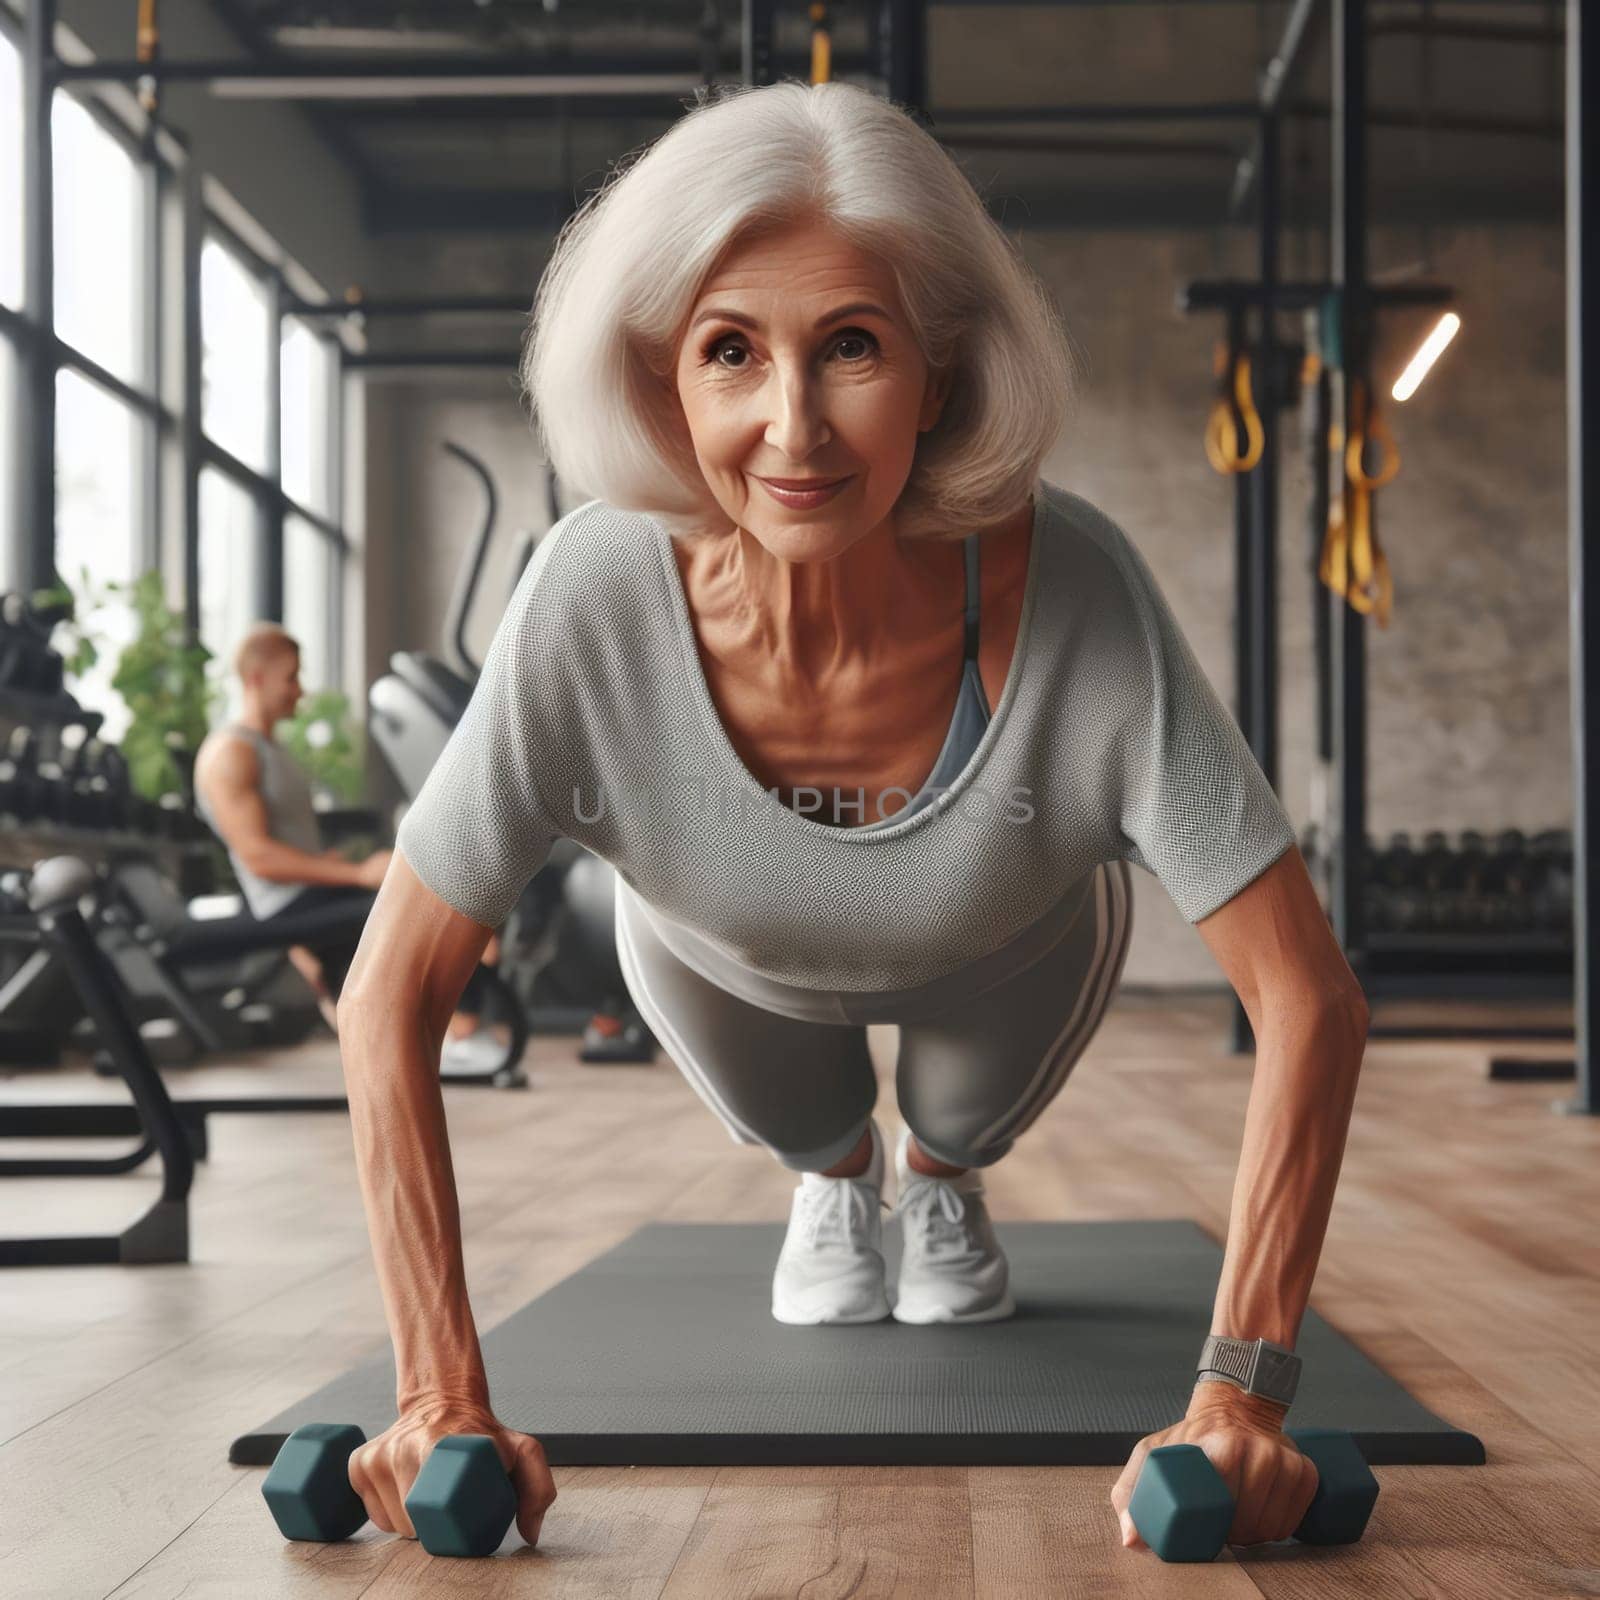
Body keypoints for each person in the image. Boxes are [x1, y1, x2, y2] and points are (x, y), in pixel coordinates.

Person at [334, 81, 1369, 1557]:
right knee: (809, 1122)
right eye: (730, 353)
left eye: (854, 348)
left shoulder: (1078, 587)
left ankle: (939, 1180)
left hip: (1009, 949)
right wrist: (436, 1389)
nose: (791, 424)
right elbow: (391, 995)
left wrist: (1242, 1397)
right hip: (722, 952)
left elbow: (1309, 997)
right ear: (661, 383)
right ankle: (836, 1181)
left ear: (940, 375)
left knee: (952, 1118)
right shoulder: (588, 597)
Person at [193, 623, 500, 1065]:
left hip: (308, 892)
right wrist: (356, 874)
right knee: (433, 910)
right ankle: (461, 1035)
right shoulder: (231, 753)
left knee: (437, 898)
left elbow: (284, 839)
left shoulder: (269, 747)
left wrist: (331, 864)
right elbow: (258, 857)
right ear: (257, 678)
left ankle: (441, 1033)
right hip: (284, 905)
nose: (298, 690)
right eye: (290, 677)